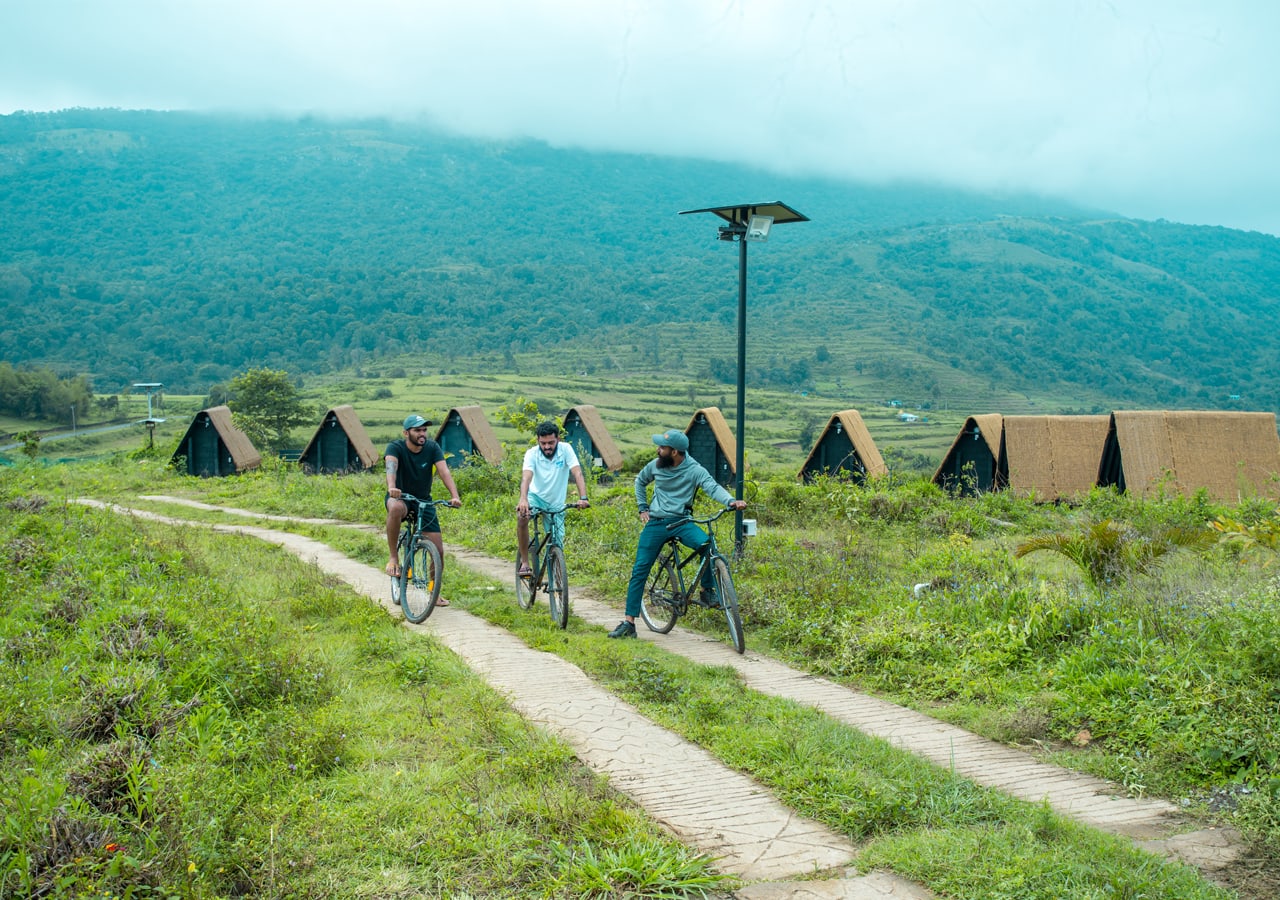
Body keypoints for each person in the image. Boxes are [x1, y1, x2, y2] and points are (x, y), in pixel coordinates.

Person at [609, 428, 746, 639]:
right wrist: (642, 507)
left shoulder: (695, 470)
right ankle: (629, 622)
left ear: (674, 452)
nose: (657, 450)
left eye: (662, 447)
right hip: (655, 523)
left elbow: (712, 487)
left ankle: (707, 591)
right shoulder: (655, 466)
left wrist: (730, 500)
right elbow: (640, 481)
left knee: (707, 546)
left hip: (682, 521)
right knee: (640, 569)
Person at [385, 414, 462, 606]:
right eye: (417, 430)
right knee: (394, 509)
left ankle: (433, 592)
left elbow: (444, 471)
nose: (422, 434)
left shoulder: (432, 447)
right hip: (400, 497)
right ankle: (394, 557)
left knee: (438, 550)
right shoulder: (396, 447)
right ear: (406, 433)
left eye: (424, 430)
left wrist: (455, 495)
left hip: (423, 501)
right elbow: (391, 468)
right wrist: (392, 488)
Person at [517, 421, 589, 575]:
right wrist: (523, 499)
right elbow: (526, 478)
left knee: (556, 543)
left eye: (551, 442)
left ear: (558, 439)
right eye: (543, 443)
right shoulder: (532, 453)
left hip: (556, 502)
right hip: (535, 497)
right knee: (522, 517)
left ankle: (555, 578)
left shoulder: (566, 450)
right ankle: (524, 562)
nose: (547, 447)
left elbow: (577, 473)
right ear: (538, 441)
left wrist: (583, 497)